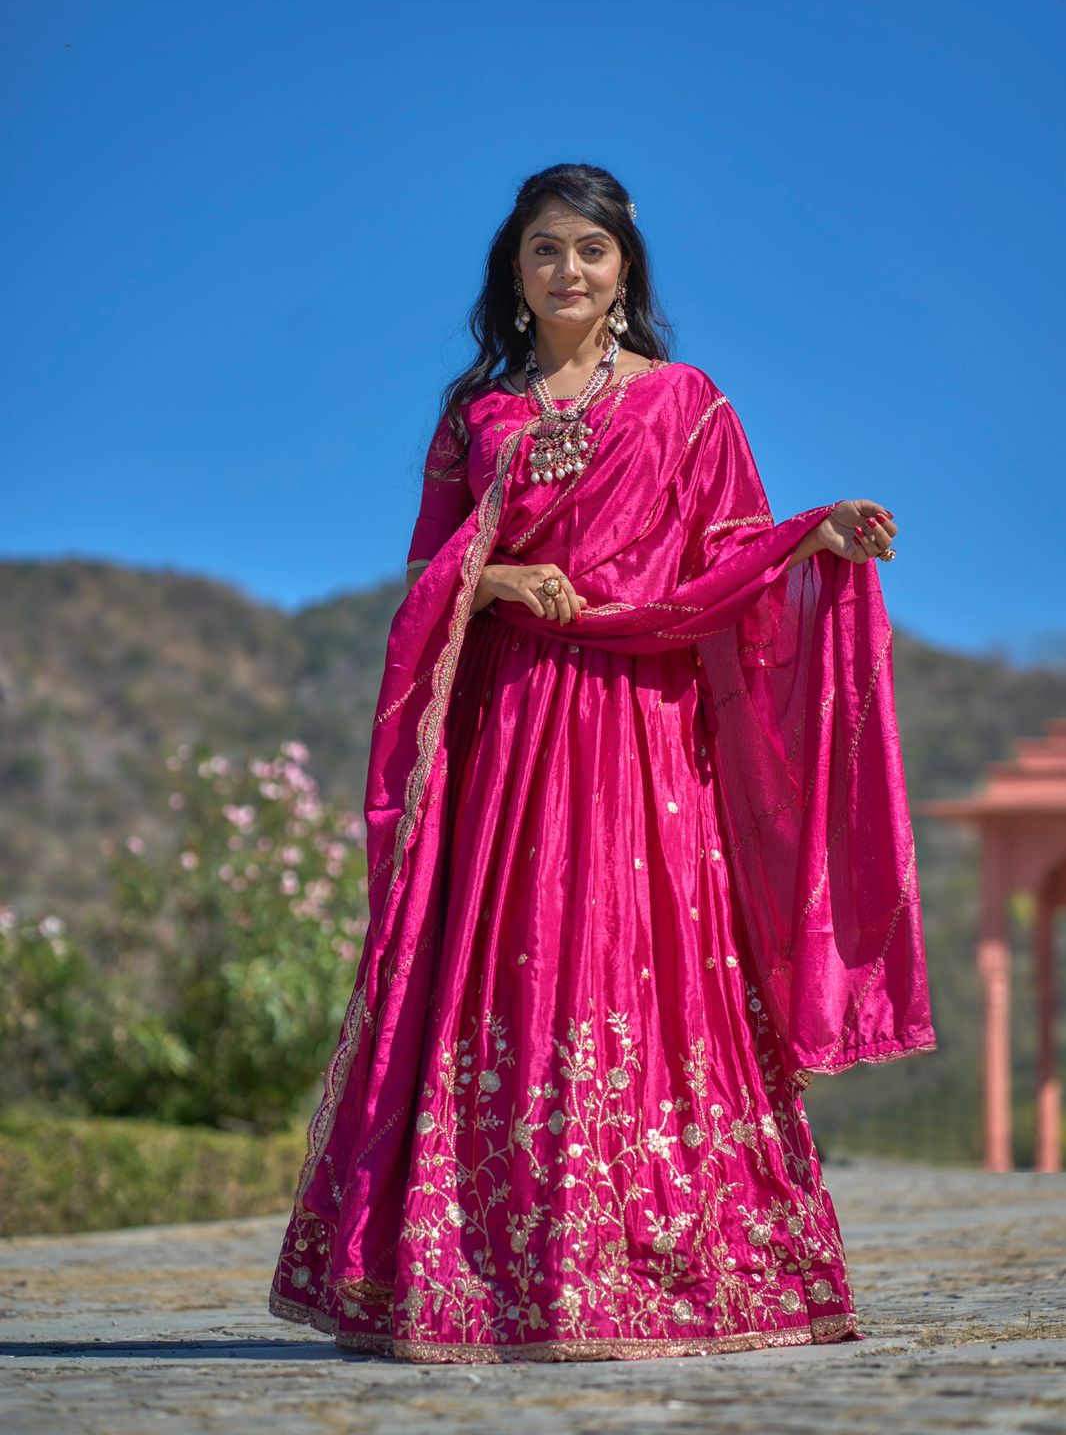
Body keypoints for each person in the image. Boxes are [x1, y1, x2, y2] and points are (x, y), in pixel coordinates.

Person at [268, 162, 936, 1364]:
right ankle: (478, 1270)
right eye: (542, 251)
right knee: (506, 962)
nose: (567, 270)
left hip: (644, 729)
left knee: (638, 957)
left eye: (590, 249)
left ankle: (675, 1261)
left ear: (625, 269)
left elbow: (729, 552)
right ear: (511, 275)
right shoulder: (476, 415)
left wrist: (817, 535)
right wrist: (499, 577)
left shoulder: (686, 404)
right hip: (512, 729)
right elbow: (425, 578)